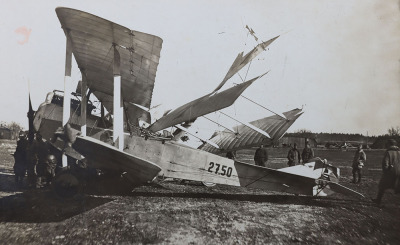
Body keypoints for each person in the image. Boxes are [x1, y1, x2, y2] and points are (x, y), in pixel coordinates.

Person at [373, 139, 400, 206]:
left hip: (390, 172)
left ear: (390, 144)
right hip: (399, 172)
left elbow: (385, 163)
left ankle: (378, 201)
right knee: (397, 187)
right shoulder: (399, 152)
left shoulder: (388, 152)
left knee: (382, 186)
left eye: (387, 144)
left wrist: (385, 171)